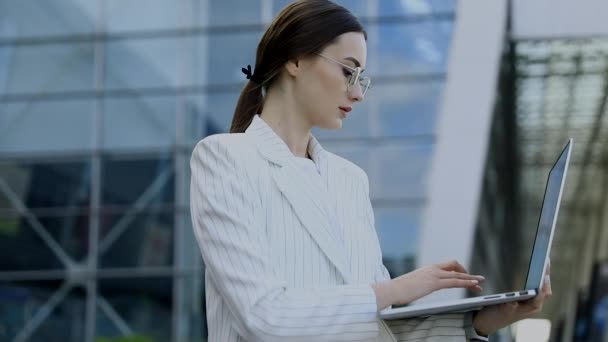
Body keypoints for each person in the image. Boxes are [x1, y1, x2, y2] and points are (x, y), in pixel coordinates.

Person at [189, 1, 552, 340]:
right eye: (348, 71)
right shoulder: (224, 159)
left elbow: (377, 330)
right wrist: (392, 290)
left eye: (361, 78)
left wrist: (482, 321)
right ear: (295, 60)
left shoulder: (350, 181)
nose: (358, 93)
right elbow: (263, 316)